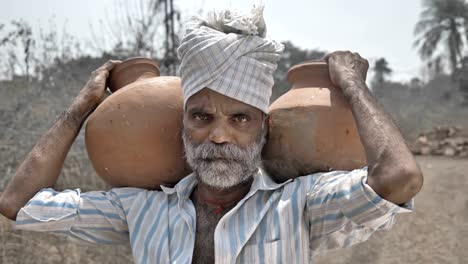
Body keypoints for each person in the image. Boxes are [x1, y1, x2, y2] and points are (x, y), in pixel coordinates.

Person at [0, 6, 422, 264]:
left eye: (240, 119)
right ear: (181, 125)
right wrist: (81, 108)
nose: (218, 137)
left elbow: (398, 178)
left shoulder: (300, 204)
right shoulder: (142, 210)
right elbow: (19, 205)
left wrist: (352, 86)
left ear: (265, 128)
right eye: (201, 117)